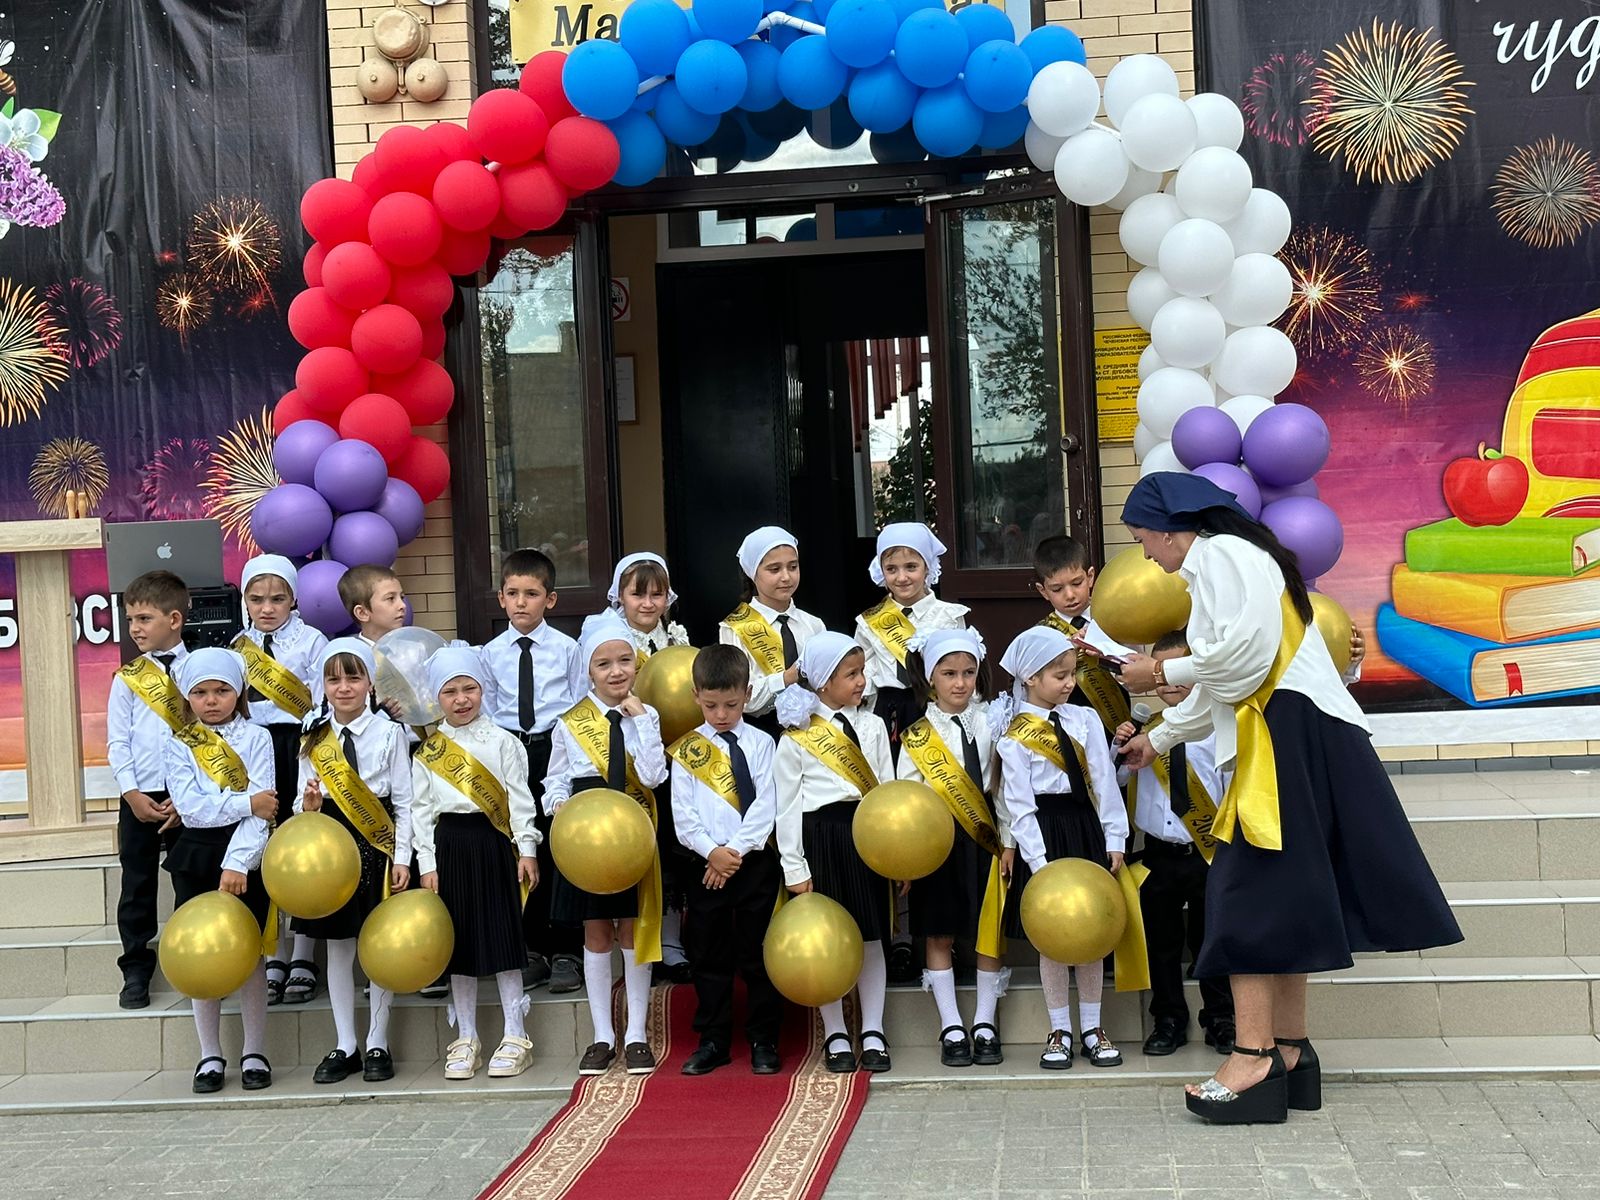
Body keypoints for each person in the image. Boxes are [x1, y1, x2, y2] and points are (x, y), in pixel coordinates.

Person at [1115, 472, 1461, 1124]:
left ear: (1168, 528)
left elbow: (1241, 661)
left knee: (1241, 893)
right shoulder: (1241, 558)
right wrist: (1158, 739)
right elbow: (1233, 679)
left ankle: (1253, 1057)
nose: (1147, 555)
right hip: (1297, 732)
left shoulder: (1221, 553)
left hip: (1283, 736)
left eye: (1142, 539)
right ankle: (1292, 1052)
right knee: (1286, 893)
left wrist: (1159, 670)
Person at [543, 611, 670, 1077]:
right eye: (603, 664)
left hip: (632, 831)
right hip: (588, 837)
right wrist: (559, 807)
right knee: (596, 931)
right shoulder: (570, 722)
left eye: (624, 661)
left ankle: (636, 1034)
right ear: (588, 671)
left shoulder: (647, 716)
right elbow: (555, 780)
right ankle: (602, 1036)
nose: (616, 671)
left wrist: (643, 723)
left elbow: (654, 777)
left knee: (633, 930)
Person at [996, 625, 1127, 1072]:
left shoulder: (1084, 720)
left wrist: (1115, 837)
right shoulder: (1014, 735)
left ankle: (1092, 1026)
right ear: (1030, 678)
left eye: (1072, 674)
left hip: (1084, 828)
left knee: (1092, 928)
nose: (1070, 683)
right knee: (1053, 936)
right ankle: (1059, 1029)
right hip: (1044, 837)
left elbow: (1104, 783)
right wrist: (1039, 863)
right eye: (1059, 675)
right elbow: (1019, 805)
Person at [412, 646, 542, 1081]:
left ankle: (516, 1034)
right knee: (459, 943)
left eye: (469, 688)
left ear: (482, 690)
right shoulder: (429, 751)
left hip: (494, 843)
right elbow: (421, 811)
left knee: (504, 939)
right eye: (450, 692)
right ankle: (466, 1036)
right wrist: (427, 863)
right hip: (449, 846)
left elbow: (521, 800)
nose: (461, 699)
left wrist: (527, 849)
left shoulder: (504, 742)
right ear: (437, 698)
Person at [774, 632, 895, 1075]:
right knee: (827, 938)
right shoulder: (797, 737)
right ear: (824, 682)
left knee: (870, 933)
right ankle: (836, 1032)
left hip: (866, 837)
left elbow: (887, 791)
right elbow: (787, 807)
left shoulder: (873, 727)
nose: (861, 681)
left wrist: (896, 853)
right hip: (820, 838)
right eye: (851, 674)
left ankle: (873, 1030)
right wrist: (794, 867)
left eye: (862, 672)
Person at [294, 639, 413, 1084]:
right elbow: (299, 805)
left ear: (369, 684)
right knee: (339, 948)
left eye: (353, 678)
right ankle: (346, 1043)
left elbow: (405, 803)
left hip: (376, 843)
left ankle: (378, 1039)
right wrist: (307, 806)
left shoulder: (391, 734)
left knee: (378, 943)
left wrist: (402, 857)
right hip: (331, 848)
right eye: (333, 679)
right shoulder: (313, 738)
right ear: (322, 686)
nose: (343, 688)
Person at [1113, 630, 1235, 1058]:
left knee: (1211, 938)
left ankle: (1220, 1017)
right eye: (1160, 675)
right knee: (1161, 942)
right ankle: (1167, 1018)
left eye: (1178, 673)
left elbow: (1230, 787)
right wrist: (1119, 747)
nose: (1169, 684)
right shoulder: (1146, 730)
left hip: (1207, 851)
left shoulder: (1218, 726)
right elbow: (1117, 781)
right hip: (1159, 854)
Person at [161, 648, 276, 1094]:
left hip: (246, 856)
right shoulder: (179, 743)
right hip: (197, 854)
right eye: (201, 692)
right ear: (188, 697)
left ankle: (254, 1051)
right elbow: (192, 809)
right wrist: (245, 802)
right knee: (201, 950)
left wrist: (237, 862)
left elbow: (265, 810)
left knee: (249, 953)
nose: (212, 700)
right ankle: (209, 1053)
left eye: (222, 690)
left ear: (239, 693)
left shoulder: (258, 738)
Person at [896, 629, 1012, 1068]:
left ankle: (984, 1022)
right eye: (949, 674)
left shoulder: (992, 721)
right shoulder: (918, 735)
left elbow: (1003, 786)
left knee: (987, 930)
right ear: (931, 677)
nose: (960, 682)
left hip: (985, 836)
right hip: (937, 840)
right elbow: (907, 799)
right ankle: (951, 1024)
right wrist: (908, 856)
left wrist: (1008, 842)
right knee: (939, 931)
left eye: (968, 672)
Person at [669, 644, 782, 1077]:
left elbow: (766, 805)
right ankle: (713, 1039)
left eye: (731, 705)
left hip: (751, 862)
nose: (721, 714)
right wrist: (712, 853)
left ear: (747, 694)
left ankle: (763, 1037)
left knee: (758, 952)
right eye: (711, 705)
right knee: (709, 953)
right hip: (705, 865)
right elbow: (683, 816)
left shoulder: (762, 743)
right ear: (696, 696)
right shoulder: (688, 750)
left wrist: (733, 852)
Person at [479, 548, 587, 996]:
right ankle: (531, 949)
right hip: (511, 754)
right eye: (513, 593)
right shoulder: (489, 654)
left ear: (551, 599)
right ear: (501, 598)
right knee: (522, 848)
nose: (521, 602)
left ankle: (567, 950)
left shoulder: (568, 650)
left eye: (532, 593)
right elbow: (486, 711)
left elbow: (579, 707)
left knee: (560, 846)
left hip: (554, 754)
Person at [233, 554, 328, 1007]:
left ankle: (304, 955)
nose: (266, 608)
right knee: (264, 846)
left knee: (298, 847)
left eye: (277, 599)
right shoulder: (238, 646)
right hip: (253, 751)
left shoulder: (312, 641)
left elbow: (323, 701)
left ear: (293, 599)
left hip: (297, 747)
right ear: (245, 601)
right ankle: (275, 954)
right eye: (257, 599)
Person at [609, 551, 693, 985]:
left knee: (673, 850)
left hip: (675, 759)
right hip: (629, 759)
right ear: (619, 597)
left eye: (656, 594)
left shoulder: (675, 639)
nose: (647, 603)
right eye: (637, 594)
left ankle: (672, 943)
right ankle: (634, 944)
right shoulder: (609, 642)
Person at [107, 569, 190, 1010]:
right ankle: (136, 968)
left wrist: (189, 796)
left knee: (190, 879)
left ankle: (193, 959)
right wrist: (131, 794)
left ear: (173, 619)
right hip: (140, 795)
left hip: (189, 797)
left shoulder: (201, 670)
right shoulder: (128, 678)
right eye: (130, 620)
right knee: (137, 883)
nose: (135, 628)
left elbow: (212, 736)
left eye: (144, 618)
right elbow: (117, 742)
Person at [855, 522, 970, 753]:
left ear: (927, 567)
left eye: (911, 567)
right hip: (888, 713)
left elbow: (963, 665)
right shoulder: (869, 622)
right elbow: (863, 672)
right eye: (891, 569)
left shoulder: (949, 616)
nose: (902, 577)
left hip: (935, 708)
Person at [719, 527, 824, 734]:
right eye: (774, 570)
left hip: (814, 732)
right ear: (752, 573)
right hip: (760, 732)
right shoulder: (734, 629)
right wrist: (786, 678)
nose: (786, 577)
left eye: (793, 567)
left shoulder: (814, 625)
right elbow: (739, 696)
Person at [1032, 534, 1135, 741]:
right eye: (1057, 589)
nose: (1070, 595)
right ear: (1043, 591)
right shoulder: (1041, 635)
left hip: (1119, 725)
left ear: (1090, 576)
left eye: (1077, 583)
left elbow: (1134, 664)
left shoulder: (1113, 618)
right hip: (1070, 731)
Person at [338, 564, 408, 647]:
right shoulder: (351, 653)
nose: (403, 605)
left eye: (402, 597)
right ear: (362, 613)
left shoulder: (415, 650)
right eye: (390, 598)